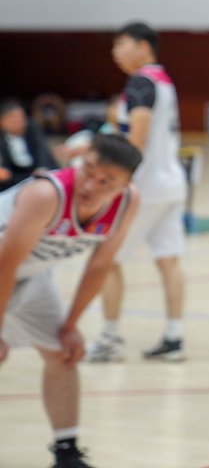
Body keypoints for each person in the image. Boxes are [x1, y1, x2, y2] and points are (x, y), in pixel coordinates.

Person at [0, 134, 143, 468]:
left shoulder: (127, 202)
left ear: (125, 185)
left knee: (63, 352)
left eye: (106, 181)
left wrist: (71, 325)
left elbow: (100, 265)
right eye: (88, 170)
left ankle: (66, 454)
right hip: (7, 267)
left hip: (28, 274)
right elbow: (5, 264)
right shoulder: (45, 194)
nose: (91, 185)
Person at [87, 23, 189, 364]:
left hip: (144, 187)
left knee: (106, 258)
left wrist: (113, 183)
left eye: (121, 44)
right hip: (172, 182)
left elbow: (139, 139)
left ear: (143, 47)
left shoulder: (140, 82)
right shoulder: (164, 80)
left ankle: (109, 338)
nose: (115, 52)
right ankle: (174, 336)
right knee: (169, 259)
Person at [0, 99, 59, 192]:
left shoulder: (32, 128)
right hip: (13, 179)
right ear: (2, 122)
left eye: (21, 118)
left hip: (37, 173)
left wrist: (41, 167)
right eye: (13, 119)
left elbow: (41, 149)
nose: (18, 122)